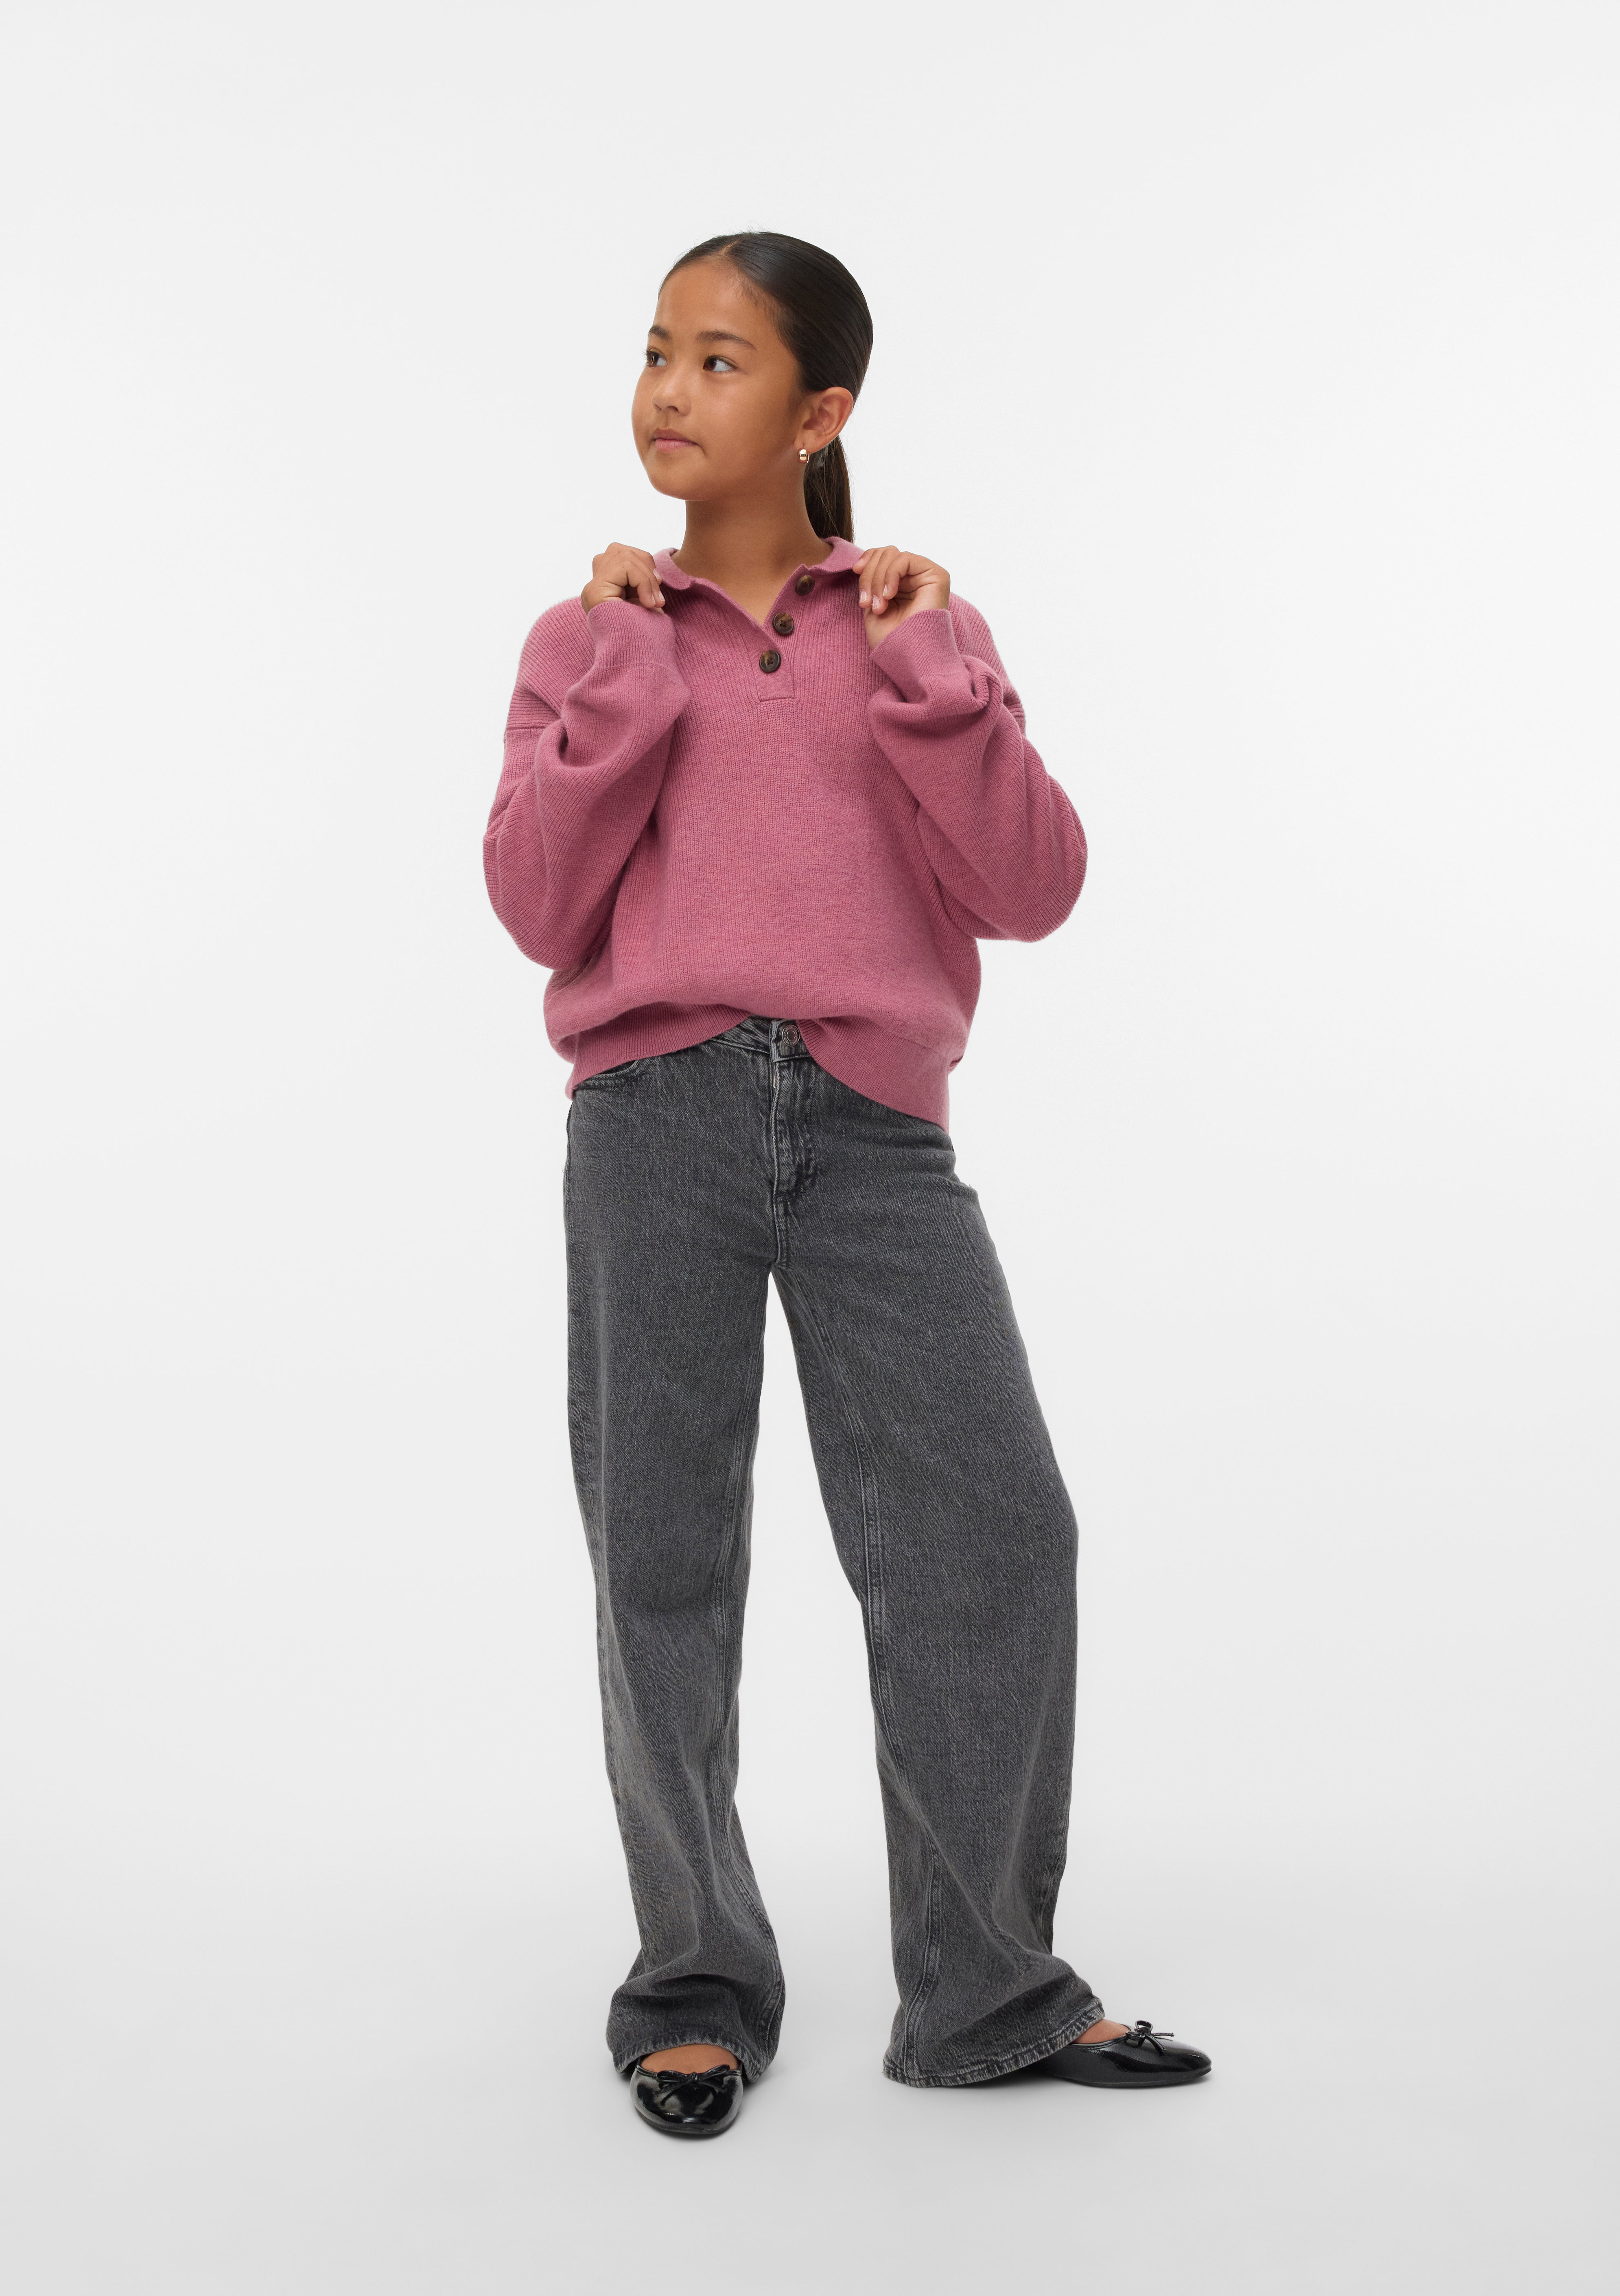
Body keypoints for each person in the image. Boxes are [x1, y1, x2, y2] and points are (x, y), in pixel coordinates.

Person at [484, 231, 1211, 2139]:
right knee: (663, 1555)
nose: (667, 389)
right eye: (656, 348)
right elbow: (537, 903)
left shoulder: (911, 627)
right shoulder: (587, 637)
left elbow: (1035, 889)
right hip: (655, 1114)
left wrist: (935, 674)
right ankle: (695, 1979)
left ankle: (986, 1991)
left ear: (821, 414)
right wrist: (624, 674)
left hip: (877, 1127)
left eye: (719, 360)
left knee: (996, 1533)